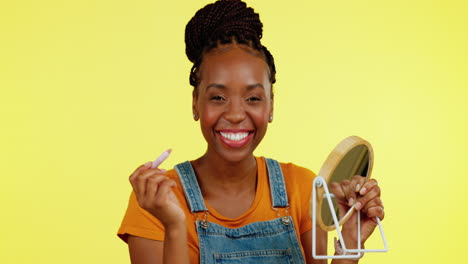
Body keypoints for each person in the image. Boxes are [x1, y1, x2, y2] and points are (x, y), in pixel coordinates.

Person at [117, 0, 384, 263]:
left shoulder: (302, 188)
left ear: (271, 106)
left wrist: (350, 243)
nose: (235, 114)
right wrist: (174, 224)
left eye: (253, 98)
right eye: (218, 98)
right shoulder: (155, 200)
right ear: (195, 103)